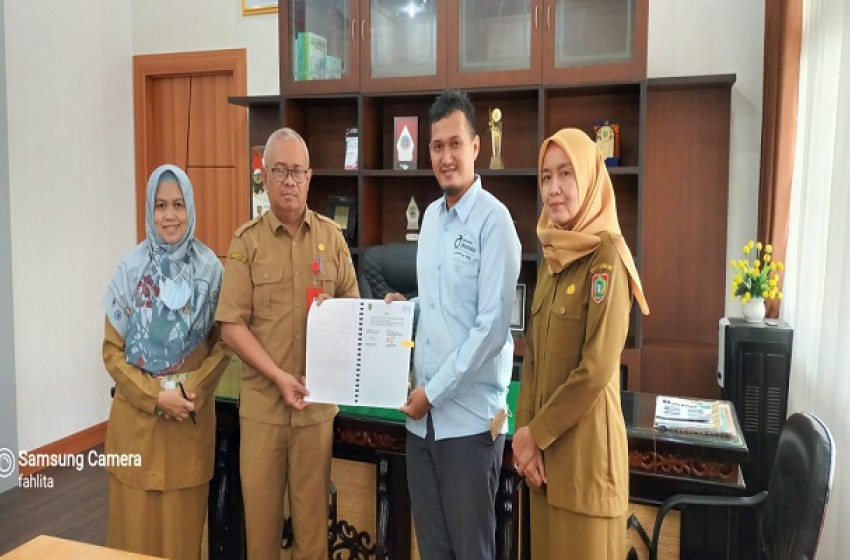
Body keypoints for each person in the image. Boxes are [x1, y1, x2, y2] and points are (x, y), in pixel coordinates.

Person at [387, 90, 521, 559]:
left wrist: (433, 394)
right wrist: (406, 309)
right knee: (433, 551)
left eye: (455, 144)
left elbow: (491, 330)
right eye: (437, 146)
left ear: (476, 146)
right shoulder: (430, 218)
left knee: (471, 552)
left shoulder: (495, 222)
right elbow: (441, 302)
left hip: (467, 425)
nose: (446, 157)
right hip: (422, 428)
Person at [215, 127, 359, 560]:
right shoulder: (247, 242)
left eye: (298, 171)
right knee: (261, 536)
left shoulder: (332, 238)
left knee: (312, 537)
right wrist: (278, 377)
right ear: (264, 176)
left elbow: (355, 310)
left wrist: (350, 313)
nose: (290, 180)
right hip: (263, 410)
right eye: (280, 170)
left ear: (310, 177)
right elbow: (231, 325)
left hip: (315, 410)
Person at [512, 128, 650, 559]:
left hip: (586, 467)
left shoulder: (607, 256)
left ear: (589, 178)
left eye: (565, 174)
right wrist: (524, 436)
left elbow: (596, 369)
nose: (553, 188)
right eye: (546, 176)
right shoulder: (553, 254)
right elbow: (533, 358)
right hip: (543, 469)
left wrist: (535, 435)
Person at [102, 164, 232, 560]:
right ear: (150, 209)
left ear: (190, 208)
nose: (169, 215)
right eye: (160, 205)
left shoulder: (211, 271)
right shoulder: (129, 271)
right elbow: (112, 352)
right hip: (135, 427)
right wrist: (157, 395)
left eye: (178, 204)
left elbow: (224, 345)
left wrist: (188, 391)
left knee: (181, 544)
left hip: (186, 426)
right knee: (131, 545)